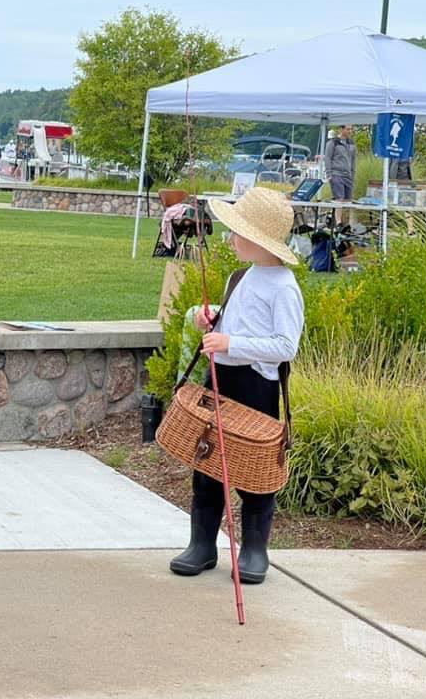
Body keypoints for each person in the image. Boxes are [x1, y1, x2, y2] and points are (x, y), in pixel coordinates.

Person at [169, 187, 304, 584]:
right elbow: (234, 324)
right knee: (208, 460)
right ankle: (202, 544)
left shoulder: (283, 287)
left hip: (255, 389)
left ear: (260, 240)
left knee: (255, 468)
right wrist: (213, 323)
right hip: (220, 383)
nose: (230, 238)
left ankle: (254, 549)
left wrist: (232, 343)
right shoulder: (240, 277)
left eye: (237, 231)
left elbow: (285, 346)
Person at [325, 125, 356, 226]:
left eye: (351, 129)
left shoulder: (351, 143)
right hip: (336, 173)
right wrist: (329, 173)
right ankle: (338, 222)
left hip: (348, 174)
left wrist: (353, 174)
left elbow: (353, 160)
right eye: (348, 129)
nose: (350, 131)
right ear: (341, 129)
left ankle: (347, 223)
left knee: (348, 199)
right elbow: (328, 158)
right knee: (339, 198)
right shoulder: (333, 143)